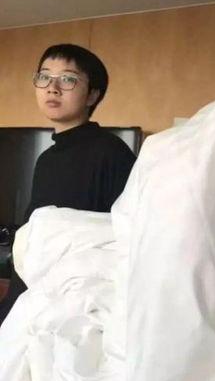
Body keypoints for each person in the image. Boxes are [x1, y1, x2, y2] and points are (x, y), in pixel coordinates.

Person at [0, 44, 136, 323]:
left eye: (68, 79)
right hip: (31, 291)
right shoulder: (47, 159)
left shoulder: (111, 152)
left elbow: (126, 235)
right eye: (44, 77)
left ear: (93, 94)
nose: (52, 88)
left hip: (75, 306)